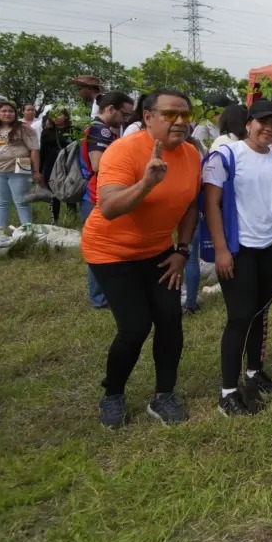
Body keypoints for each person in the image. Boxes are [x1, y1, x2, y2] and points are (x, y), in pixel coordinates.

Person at [83, 88, 202, 428]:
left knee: (170, 319)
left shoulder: (191, 154)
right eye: (170, 114)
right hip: (111, 252)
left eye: (185, 114)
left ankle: (164, 394)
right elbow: (109, 207)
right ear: (148, 117)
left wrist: (182, 250)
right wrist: (147, 183)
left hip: (158, 251)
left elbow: (190, 205)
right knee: (135, 326)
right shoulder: (123, 151)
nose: (179, 121)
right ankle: (113, 394)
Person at [203, 100, 272, 416]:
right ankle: (228, 391)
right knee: (240, 316)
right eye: (262, 122)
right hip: (239, 247)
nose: (269, 129)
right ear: (248, 124)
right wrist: (221, 250)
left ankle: (254, 372)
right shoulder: (226, 156)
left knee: (260, 312)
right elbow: (212, 205)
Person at [80, 91, 135, 309]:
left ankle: (104, 295)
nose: (126, 119)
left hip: (99, 194)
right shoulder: (100, 130)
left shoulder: (102, 129)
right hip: (98, 195)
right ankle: (100, 298)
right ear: (110, 109)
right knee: (100, 249)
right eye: (124, 114)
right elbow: (98, 164)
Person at [0, 99, 43, 228]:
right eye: (4, 111)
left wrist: (36, 171)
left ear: (15, 113)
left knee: (21, 200)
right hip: (0, 169)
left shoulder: (23, 128)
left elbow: (34, 149)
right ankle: (1, 230)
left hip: (20, 165)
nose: (7, 114)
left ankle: (27, 229)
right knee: (1, 202)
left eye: (11, 111)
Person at [39, 109, 77, 225]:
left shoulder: (74, 130)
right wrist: (40, 170)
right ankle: (54, 220)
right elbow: (42, 151)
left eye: (59, 114)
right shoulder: (47, 132)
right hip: (51, 164)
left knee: (70, 191)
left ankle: (72, 219)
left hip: (68, 164)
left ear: (66, 116)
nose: (56, 117)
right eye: (53, 115)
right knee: (53, 192)